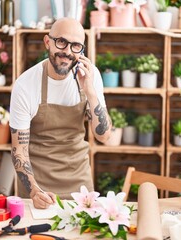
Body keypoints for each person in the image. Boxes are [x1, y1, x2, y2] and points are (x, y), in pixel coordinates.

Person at [9, 17, 112, 209]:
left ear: (82, 50)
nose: (67, 52)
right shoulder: (25, 85)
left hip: (79, 182)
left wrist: (90, 91)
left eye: (76, 46)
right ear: (48, 42)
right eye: (62, 42)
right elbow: (19, 152)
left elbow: (104, 136)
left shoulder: (91, 76)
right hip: (38, 187)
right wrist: (34, 191)